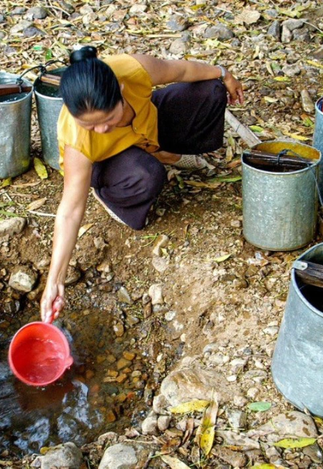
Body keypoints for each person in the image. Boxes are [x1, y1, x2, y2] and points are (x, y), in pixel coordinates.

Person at [40, 46, 244, 322]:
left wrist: (224, 73)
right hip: (106, 162)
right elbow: (70, 211)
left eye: (108, 119)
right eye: (91, 126)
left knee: (210, 91)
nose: (100, 129)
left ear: (122, 90)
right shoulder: (78, 139)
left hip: (146, 131)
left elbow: (182, 70)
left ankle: (163, 153)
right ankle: (115, 193)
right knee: (146, 175)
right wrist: (55, 280)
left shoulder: (132, 70)